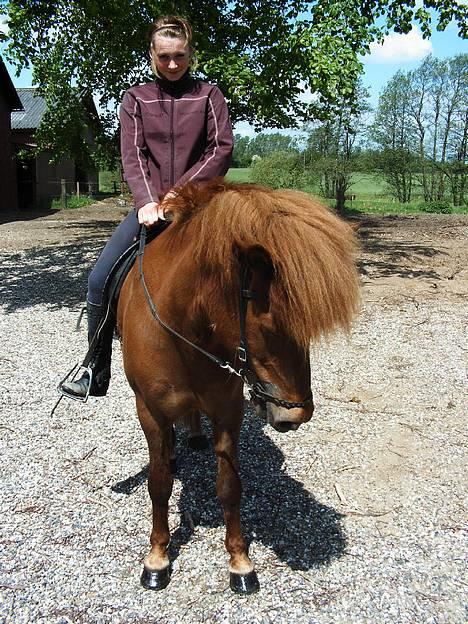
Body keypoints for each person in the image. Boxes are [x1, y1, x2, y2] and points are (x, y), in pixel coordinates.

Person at [59, 15, 234, 400]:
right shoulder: (135, 98)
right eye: (165, 57)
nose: (173, 64)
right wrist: (147, 201)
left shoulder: (209, 95)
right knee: (98, 280)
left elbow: (220, 148)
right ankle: (94, 366)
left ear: (191, 53)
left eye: (181, 56)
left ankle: (252, 371)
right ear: (152, 55)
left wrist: (181, 194)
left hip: (200, 206)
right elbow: (132, 153)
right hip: (149, 208)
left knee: (245, 277)